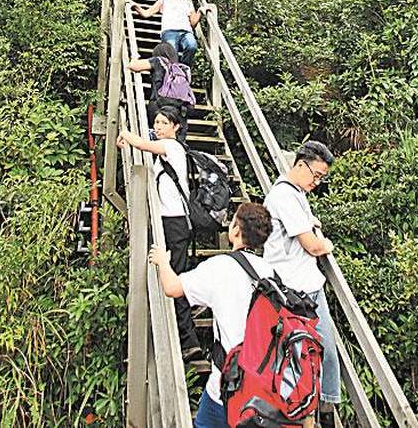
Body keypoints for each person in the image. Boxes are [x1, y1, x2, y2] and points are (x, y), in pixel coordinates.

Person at [149, 202, 274, 428]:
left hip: (228, 385)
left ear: (235, 230)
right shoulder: (269, 271)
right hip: (265, 384)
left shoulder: (220, 267)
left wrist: (162, 262)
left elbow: (173, 288)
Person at [263, 141, 341, 423]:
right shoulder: (284, 195)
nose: (317, 182)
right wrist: (326, 244)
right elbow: (313, 245)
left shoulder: (295, 193)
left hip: (303, 284)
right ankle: (315, 411)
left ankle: (317, 409)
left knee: (316, 352)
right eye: (316, 175)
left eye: (322, 177)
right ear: (300, 165)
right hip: (296, 289)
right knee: (315, 351)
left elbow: (309, 223)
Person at [117, 106, 202, 361]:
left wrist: (126, 134)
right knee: (174, 274)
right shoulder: (163, 154)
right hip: (169, 222)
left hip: (175, 223)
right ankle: (184, 334)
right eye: (156, 122)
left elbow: (145, 144)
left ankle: (189, 341)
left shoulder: (174, 148)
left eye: (164, 123)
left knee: (175, 278)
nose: (159, 126)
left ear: (176, 127)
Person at [131, 0, 204, 67]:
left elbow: (193, 23)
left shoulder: (187, 3)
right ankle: (174, 73)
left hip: (186, 32)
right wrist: (135, 6)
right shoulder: (163, 1)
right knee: (172, 54)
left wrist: (200, 11)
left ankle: (183, 69)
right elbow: (147, 13)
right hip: (169, 32)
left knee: (192, 45)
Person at [127, 40, 192, 140]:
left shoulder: (158, 61)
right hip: (180, 109)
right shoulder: (183, 69)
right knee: (179, 143)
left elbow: (133, 66)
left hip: (158, 107)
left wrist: (134, 58)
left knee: (156, 139)